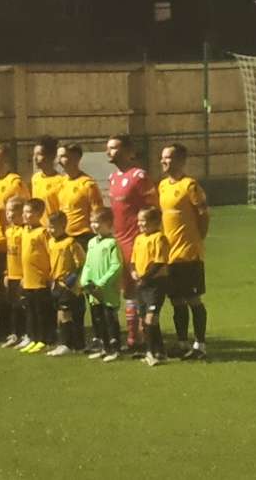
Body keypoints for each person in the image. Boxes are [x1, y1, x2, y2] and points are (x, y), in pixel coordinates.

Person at [106, 134, 157, 353]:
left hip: (136, 242)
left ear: (129, 151)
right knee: (126, 291)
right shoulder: (113, 178)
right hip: (118, 241)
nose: (109, 152)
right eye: (108, 148)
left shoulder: (139, 176)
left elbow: (154, 209)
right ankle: (132, 338)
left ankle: (146, 338)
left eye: (114, 148)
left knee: (140, 290)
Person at [158, 143, 210, 360]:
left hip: (188, 254)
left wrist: (197, 239)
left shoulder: (190, 185)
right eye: (162, 157)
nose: (163, 161)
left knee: (193, 299)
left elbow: (204, 215)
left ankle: (200, 344)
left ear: (180, 160)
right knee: (176, 301)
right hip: (170, 255)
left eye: (167, 158)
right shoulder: (161, 186)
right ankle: (181, 342)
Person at [0, 143, 30, 340]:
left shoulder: (15, 183)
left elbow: (25, 210)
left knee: (15, 287)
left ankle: (22, 328)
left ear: (5, 160)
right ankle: (3, 326)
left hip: (12, 242)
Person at [80, 207, 124, 363]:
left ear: (109, 223)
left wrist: (101, 283)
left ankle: (115, 348)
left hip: (107, 290)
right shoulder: (92, 242)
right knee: (97, 318)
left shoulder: (112, 243)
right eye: (92, 222)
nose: (94, 225)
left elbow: (116, 266)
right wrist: (84, 281)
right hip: (93, 290)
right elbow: (88, 265)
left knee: (109, 318)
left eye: (98, 222)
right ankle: (104, 347)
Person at [130, 207, 170, 367]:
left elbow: (159, 262)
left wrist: (144, 278)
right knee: (145, 320)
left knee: (150, 318)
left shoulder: (159, 238)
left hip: (155, 284)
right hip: (141, 284)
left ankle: (150, 353)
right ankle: (160, 351)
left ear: (155, 222)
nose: (140, 223)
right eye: (139, 220)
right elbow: (133, 260)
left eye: (143, 220)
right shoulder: (139, 238)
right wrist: (133, 272)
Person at [46, 211, 86, 357]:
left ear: (63, 225)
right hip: (55, 284)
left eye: (53, 227)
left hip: (68, 285)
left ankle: (66, 344)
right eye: (49, 227)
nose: (50, 230)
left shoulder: (71, 243)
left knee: (65, 314)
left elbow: (81, 263)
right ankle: (71, 343)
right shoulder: (50, 242)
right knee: (59, 315)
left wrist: (72, 278)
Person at [18, 198, 52, 354]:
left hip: (40, 279)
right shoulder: (24, 230)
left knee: (41, 311)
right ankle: (32, 337)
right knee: (30, 311)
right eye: (24, 212)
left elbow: (50, 253)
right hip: (28, 279)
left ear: (39, 214)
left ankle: (43, 339)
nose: (25, 215)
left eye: (29, 212)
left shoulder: (43, 232)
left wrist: (50, 275)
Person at [56, 143, 104, 251]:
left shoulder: (88, 184)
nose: (59, 161)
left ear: (76, 159)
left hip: (83, 238)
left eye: (63, 156)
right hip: (64, 237)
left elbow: (97, 212)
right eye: (58, 157)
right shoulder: (61, 182)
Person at [2, 196, 26, 348]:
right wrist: (6, 272)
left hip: (23, 275)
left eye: (12, 211)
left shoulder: (24, 231)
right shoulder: (9, 231)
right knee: (13, 305)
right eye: (8, 211)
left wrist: (25, 275)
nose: (9, 214)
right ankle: (15, 333)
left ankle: (26, 334)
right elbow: (8, 254)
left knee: (23, 305)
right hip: (11, 274)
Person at [31, 135, 64, 224]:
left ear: (51, 156)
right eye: (34, 154)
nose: (35, 158)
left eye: (39, 154)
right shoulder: (35, 178)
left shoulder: (61, 181)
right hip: (39, 232)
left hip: (54, 230)